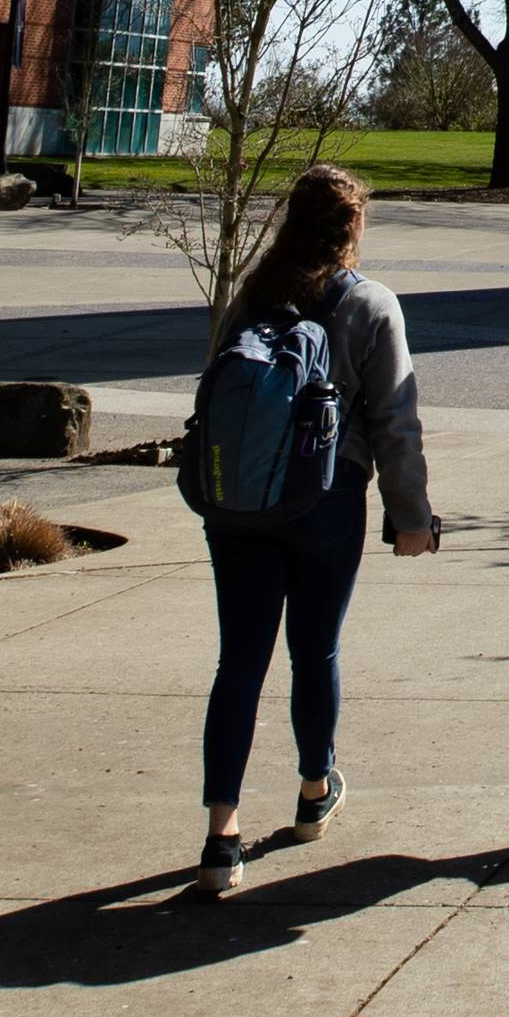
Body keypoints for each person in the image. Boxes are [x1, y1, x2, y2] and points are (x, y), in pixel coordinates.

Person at [186, 163, 440, 901]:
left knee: (240, 663)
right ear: (353, 228)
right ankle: (310, 790)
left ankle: (220, 836)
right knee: (314, 650)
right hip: (327, 502)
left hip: (238, 506)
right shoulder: (371, 305)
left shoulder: (254, 298)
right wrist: (412, 519)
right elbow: (396, 422)